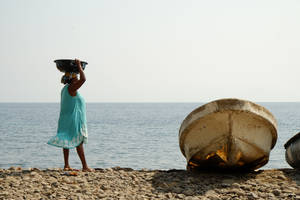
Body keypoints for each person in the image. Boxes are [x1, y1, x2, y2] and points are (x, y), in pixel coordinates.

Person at [48, 59, 93, 172]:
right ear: (72, 78)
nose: (77, 77)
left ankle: (66, 165)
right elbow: (83, 79)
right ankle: (85, 167)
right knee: (79, 142)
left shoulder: (65, 89)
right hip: (73, 120)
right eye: (76, 76)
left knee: (65, 140)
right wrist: (79, 66)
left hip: (65, 119)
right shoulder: (71, 88)